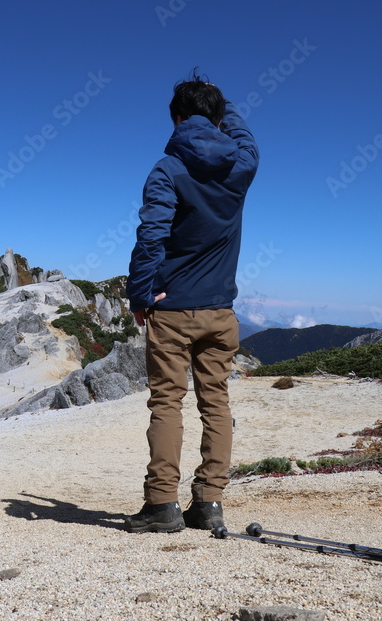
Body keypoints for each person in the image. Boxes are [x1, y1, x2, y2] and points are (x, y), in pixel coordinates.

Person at [124, 72, 259, 533]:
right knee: (215, 403)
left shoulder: (167, 169)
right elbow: (245, 138)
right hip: (222, 312)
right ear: (219, 119)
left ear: (176, 118)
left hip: (173, 309)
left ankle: (163, 505)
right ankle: (209, 503)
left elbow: (151, 236)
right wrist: (222, 106)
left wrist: (140, 293)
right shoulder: (241, 166)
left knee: (166, 403)